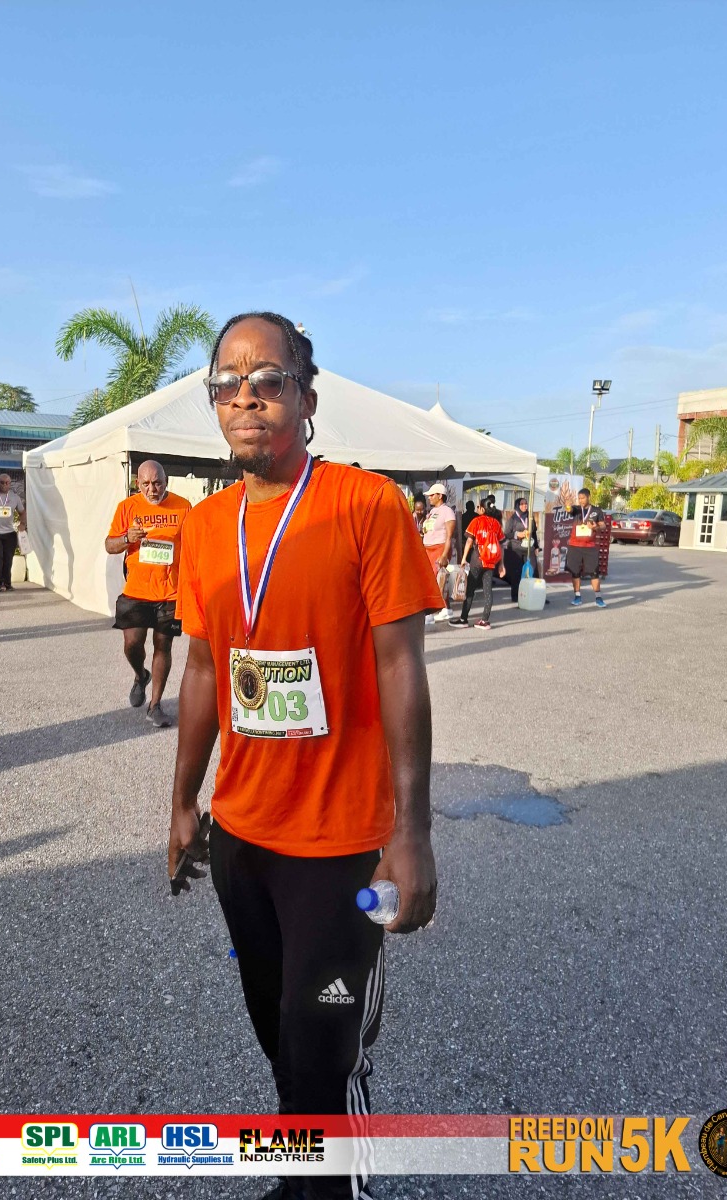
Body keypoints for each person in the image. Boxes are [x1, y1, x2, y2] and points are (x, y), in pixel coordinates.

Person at [168, 312, 441, 1200]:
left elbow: (401, 667)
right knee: (280, 1038)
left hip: (343, 846)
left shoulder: (366, 505)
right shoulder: (204, 527)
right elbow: (203, 669)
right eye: (228, 384)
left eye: (269, 380)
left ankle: (334, 1186)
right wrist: (182, 803)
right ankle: (301, 1176)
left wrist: (412, 833)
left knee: (325, 1053)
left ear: (307, 398)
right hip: (243, 839)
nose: (247, 397)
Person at [105, 460, 191, 728]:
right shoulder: (127, 507)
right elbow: (109, 545)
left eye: (157, 483)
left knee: (163, 645)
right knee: (132, 643)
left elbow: (193, 545)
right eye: (146, 484)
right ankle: (140, 675)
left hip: (170, 592)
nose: (152, 489)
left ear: (166, 482)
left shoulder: (183, 506)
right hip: (137, 591)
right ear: (137, 484)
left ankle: (155, 705)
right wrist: (127, 538)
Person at [449, 497, 505, 630]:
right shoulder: (496, 524)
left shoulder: (476, 521)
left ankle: (463, 619)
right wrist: (501, 564)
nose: (477, 509)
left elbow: (469, 541)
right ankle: (484, 620)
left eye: (478, 507)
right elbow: (501, 545)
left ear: (483, 509)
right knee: (488, 591)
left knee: (470, 589)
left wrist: (463, 559)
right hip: (490, 561)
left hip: (477, 559)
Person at [566, 487, 607, 607]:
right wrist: (567, 506)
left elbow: (603, 526)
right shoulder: (577, 509)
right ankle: (577, 596)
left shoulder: (596, 510)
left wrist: (595, 527)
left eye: (583, 498)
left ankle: (598, 597)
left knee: (594, 573)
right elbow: (570, 510)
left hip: (590, 546)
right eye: (579, 498)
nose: (581, 500)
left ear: (589, 497)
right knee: (575, 572)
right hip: (574, 545)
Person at [421, 482, 455, 621]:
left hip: (439, 547)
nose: (429, 497)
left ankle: (429, 614)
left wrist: (444, 555)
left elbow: (449, 536)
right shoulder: (432, 511)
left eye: (432, 495)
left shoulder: (447, 511)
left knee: (432, 581)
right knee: (439, 579)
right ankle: (446, 609)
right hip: (428, 548)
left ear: (440, 496)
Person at [503, 496, 540, 604]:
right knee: (517, 572)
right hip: (516, 548)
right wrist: (517, 534)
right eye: (522, 504)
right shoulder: (513, 519)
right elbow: (506, 534)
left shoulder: (530, 517)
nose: (525, 506)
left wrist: (536, 547)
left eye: (526, 503)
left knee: (534, 570)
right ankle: (515, 596)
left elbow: (534, 533)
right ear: (517, 506)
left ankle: (537, 594)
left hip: (529, 547)